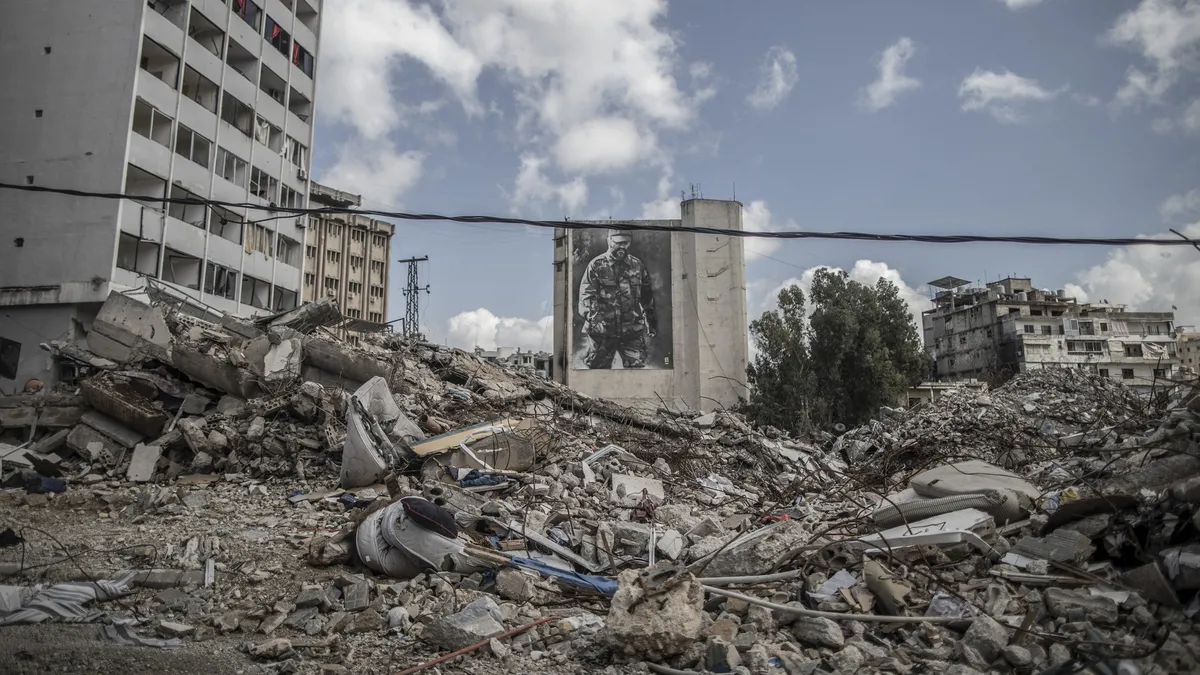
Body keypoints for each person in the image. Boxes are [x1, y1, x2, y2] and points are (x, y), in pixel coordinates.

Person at [577, 230, 657, 368]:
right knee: (598, 371)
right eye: (618, 243)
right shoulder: (596, 265)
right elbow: (587, 296)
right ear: (609, 241)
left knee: (636, 370)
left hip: (631, 330)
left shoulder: (637, 265)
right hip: (603, 332)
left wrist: (650, 319)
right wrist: (596, 321)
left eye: (625, 243)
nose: (622, 247)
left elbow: (646, 295)